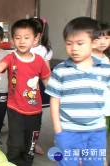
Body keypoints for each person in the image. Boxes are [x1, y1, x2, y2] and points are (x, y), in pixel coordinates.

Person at [0, 19, 51, 166]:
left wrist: (57, 97)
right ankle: (11, 162)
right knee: (16, 142)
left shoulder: (39, 60)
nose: (22, 41)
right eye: (18, 38)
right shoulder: (11, 58)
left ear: (35, 39)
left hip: (35, 110)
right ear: (12, 40)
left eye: (27, 38)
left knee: (30, 142)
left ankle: (27, 161)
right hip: (15, 109)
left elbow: (47, 80)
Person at [45, 17, 110, 166]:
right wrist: (58, 131)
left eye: (80, 44)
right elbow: (54, 100)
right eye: (69, 43)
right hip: (68, 132)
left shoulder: (105, 69)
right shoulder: (60, 70)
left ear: (93, 43)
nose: (74, 48)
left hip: (96, 132)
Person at [29, 17, 53, 155]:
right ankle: (23, 143)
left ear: (42, 33)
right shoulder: (22, 47)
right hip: (23, 86)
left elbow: (47, 71)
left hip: (39, 86)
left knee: (37, 117)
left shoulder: (45, 50)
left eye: (36, 32)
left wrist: (51, 90)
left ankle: (33, 144)